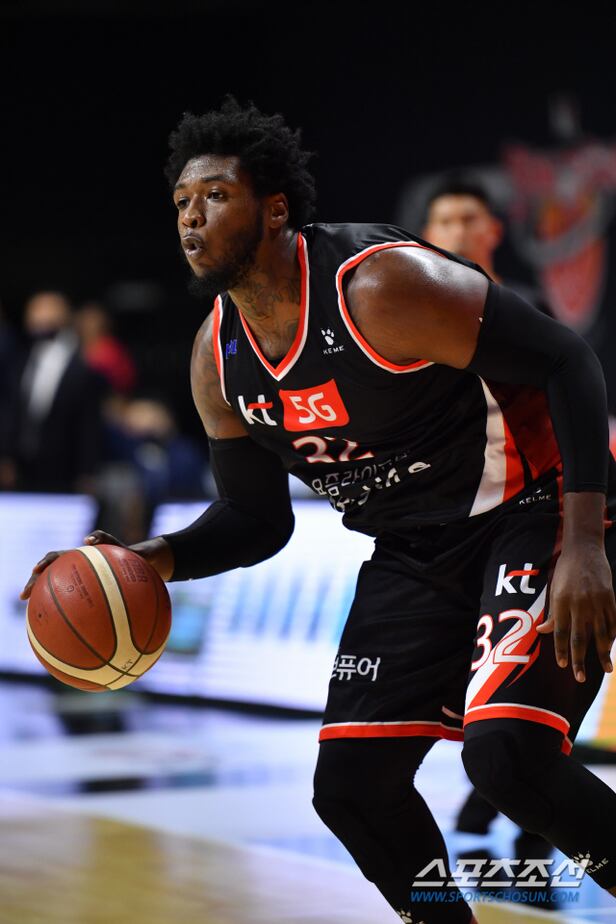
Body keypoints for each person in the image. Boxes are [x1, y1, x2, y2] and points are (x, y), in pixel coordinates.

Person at [21, 97, 616, 924]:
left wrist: (585, 543)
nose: (192, 218)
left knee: (507, 758)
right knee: (352, 789)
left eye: (215, 196)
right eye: (182, 202)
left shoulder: (380, 285)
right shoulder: (216, 358)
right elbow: (257, 519)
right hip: (411, 548)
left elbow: (568, 361)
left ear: (275, 210)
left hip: (529, 508)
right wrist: (152, 558)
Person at [421, 177, 555, 847]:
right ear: (426, 235)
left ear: (493, 230)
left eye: (467, 217)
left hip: (527, 507)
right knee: (466, 670)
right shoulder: (410, 316)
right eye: (443, 219)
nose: (455, 229)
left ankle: (520, 794)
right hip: (449, 521)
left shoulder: (524, 307)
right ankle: (505, 785)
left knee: (520, 662)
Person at [2, 291, 103, 493]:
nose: (39, 317)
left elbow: (89, 424)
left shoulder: (81, 366)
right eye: (34, 311)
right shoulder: (20, 360)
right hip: (22, 467)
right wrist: (5, 456)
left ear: (64, 315)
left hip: (64, 468)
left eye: (46, 310)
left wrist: (87, 472)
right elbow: (10, 412)